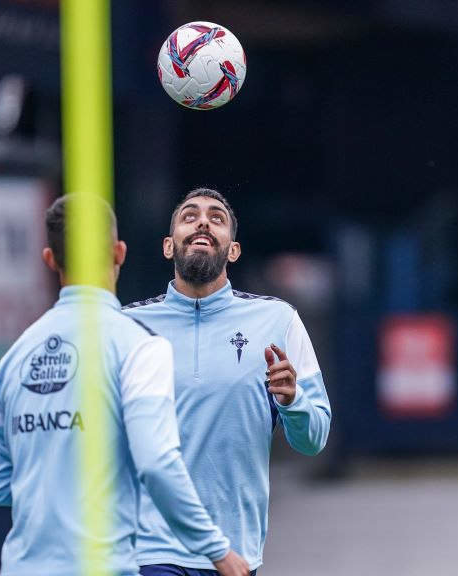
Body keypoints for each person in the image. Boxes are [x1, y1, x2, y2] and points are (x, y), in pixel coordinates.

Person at [0, 195, 248, 576]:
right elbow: (156, 464)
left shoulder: (15, 358)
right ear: (119, 253)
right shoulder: (139, 345)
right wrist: (218, 551)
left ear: (50, 260)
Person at [123, 188, 332, 575]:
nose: (203, 221)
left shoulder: (278, 320)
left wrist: (293, 402)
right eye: (190, 216)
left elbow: (314, 439)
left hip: (236, 555)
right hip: (149, 551)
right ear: (168, 246)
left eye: (216, 218)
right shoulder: (126, 327)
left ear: (232, 251)